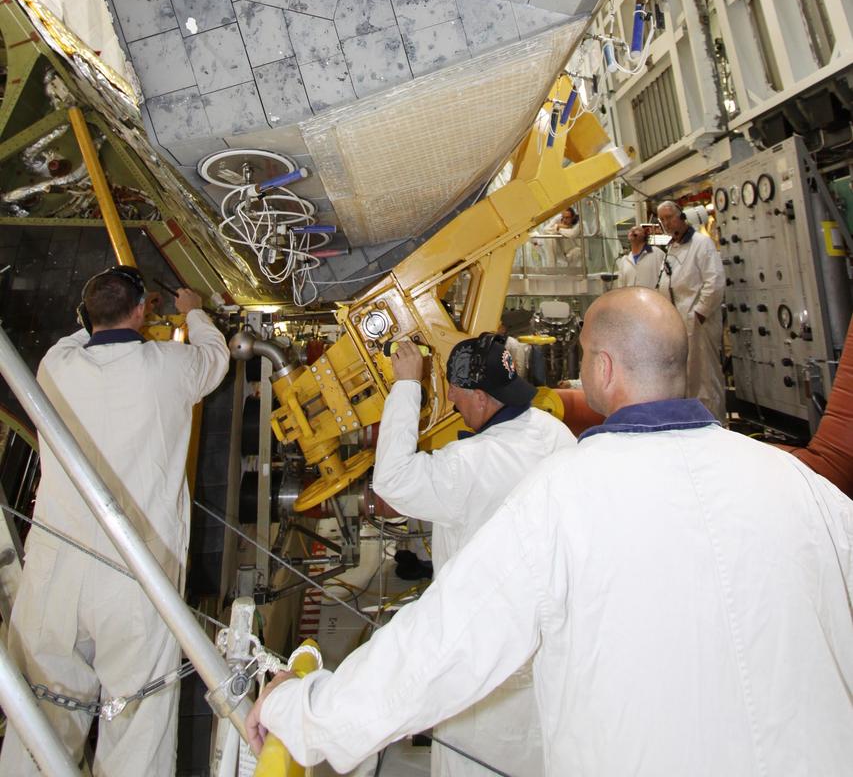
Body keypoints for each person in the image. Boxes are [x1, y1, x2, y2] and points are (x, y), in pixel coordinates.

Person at [247, 288, 853, 777]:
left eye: (586, 353)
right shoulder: (803, 488)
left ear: (605, 367)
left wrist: (304, 714)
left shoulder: (564, 496)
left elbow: (439, 646)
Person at [0, 266, 230, 777]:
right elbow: (216, 358)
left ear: (86, 315)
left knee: (40, 722)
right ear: (144, 309)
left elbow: (83, 332)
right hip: (134, 572)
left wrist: (102, 312)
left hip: (56, 570)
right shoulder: (167, 367)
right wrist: (193, 311)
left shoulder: (53, 367)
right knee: (138, 725)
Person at [369, 332, 574, 776]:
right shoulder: (557, 436)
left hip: (481, 670)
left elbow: (392, 480)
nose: (453, 402)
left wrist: (407, 386)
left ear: (480, 397)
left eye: (456, 393)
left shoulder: (467, 465)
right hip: (546, 656)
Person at [656, 198, 726, 421]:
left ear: (682, 217)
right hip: (677, 321)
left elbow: (714, 280)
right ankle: (691, 423)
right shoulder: (672, 247)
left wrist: (700, 312)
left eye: (669, 217)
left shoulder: (701, 244)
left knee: (704, 377)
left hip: (698, 321)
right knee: (685, 377)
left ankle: (713, 422)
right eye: (662, 219)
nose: (666, 223)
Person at [615, 224, 665, 289]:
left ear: (645, 235)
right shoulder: (624, 260)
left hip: (652, 297)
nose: (632, 231)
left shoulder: (656, 253)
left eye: (637, 230)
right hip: (631, 298)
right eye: (630, 231)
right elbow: (621, 286)